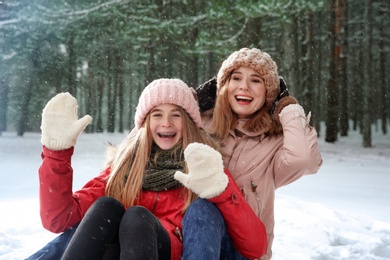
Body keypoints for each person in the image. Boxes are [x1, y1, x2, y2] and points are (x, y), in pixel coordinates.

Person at [26, 78, 268, 260]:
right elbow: (58, 220)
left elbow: (256, 247)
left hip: (172, 251)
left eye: (176, 115)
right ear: (145, 124)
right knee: (106, 206)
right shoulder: (124, 169)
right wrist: (56, 155)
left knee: (137, 216)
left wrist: (223, 193)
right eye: (157, 115)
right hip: (125, 251)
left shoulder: (206, 171)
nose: (166, 123)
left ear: (190, 124)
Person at [182, 48, 323, 260]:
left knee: (203, 209)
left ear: (269, 93)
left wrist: (289, 108)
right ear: (224, 86)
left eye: (255, 80)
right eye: (236, 78)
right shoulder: (200, 125)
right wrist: (189, 103)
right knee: (201, 210)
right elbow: (147, 142)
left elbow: (304, 160)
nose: (244, 86)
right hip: (193, 242)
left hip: (245, 251)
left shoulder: (275, 142)